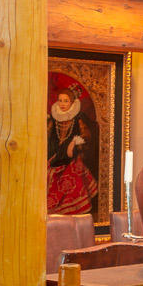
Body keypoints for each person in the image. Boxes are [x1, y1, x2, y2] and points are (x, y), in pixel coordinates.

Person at [47, 76, 98, 217]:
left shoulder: (78, 118)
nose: (63, 104)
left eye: (66, 101)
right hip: (55, 158)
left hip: (73, 158)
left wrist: (73, 143)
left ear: (71, 102)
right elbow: (50, 138)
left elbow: (86, 136)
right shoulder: (53, 118)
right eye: (60, 101)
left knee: (72, 176)